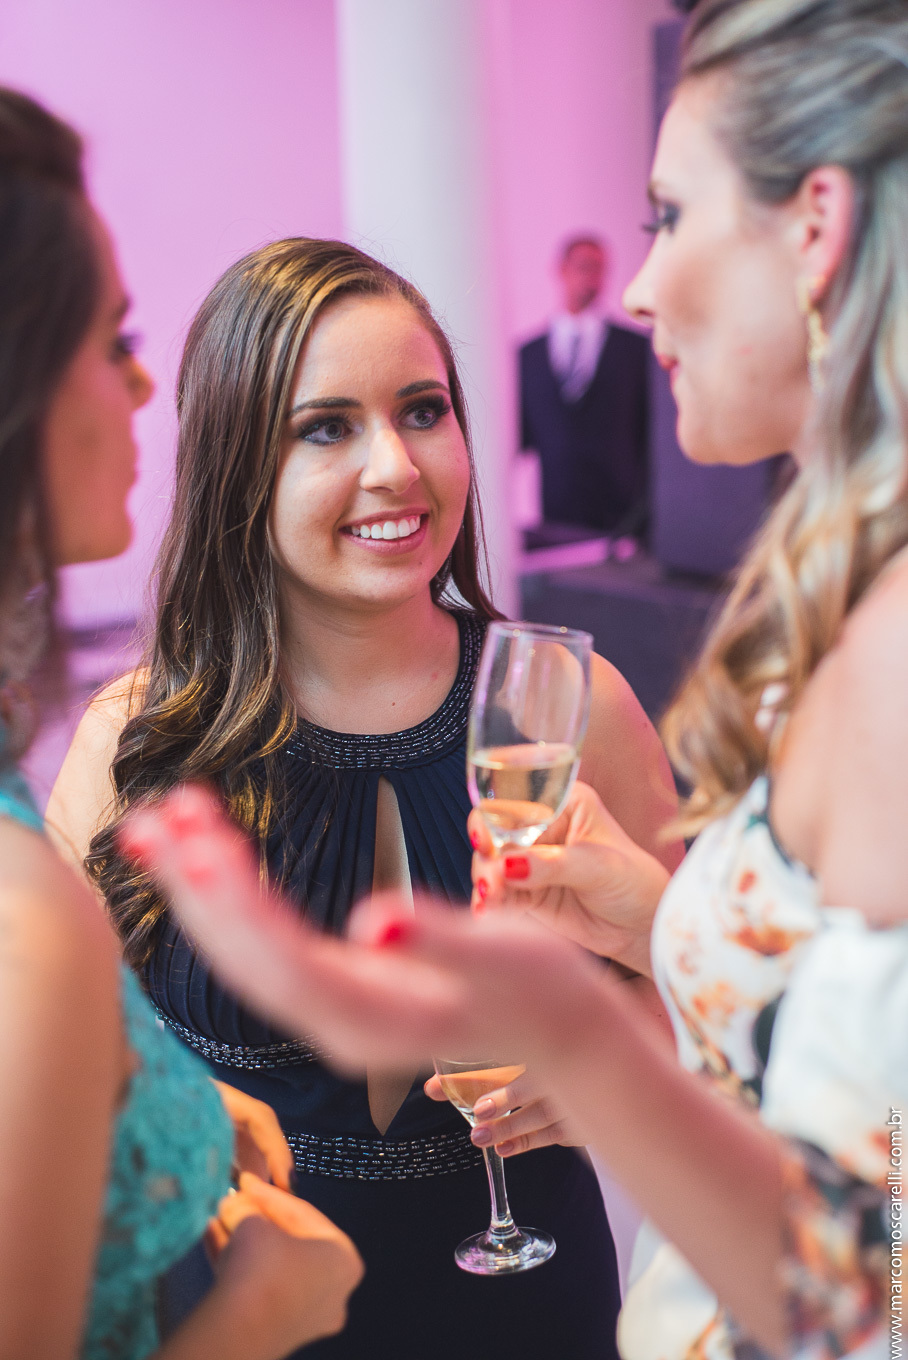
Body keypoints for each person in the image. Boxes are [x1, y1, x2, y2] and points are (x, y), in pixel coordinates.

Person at [116, 1, 907, 1358]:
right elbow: (835, 1257)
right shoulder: (857, 621)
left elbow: (851, 1288)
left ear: (817, 226)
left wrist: (591, 1038)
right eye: (326, 428)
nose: (635, 282)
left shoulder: (870, 657)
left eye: (664, 214)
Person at [48, 237, 682, 1359]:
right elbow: (61, 1088)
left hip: (533, 1306)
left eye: (423, 410)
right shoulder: (133, 744)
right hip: (247, 1313)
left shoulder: (571, 710)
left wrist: (602, 1063)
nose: (396, 465)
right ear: (241, 462)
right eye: (326, 426)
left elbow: (709, 1013)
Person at [0, 87, 363, 1359]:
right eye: (114, 341)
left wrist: (178, 1104)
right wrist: (271, 1308)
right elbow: (874, 1253)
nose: (141, 383)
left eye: (426, 410)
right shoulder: (67, 837)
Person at [519, 235, 650, 537]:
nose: (591, 277)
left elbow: (647, 432)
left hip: (623, 514)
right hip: (556, 512)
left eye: (599, 268)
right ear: (561, 270)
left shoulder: (634, 350)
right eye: (583, 266)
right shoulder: (529, 355)